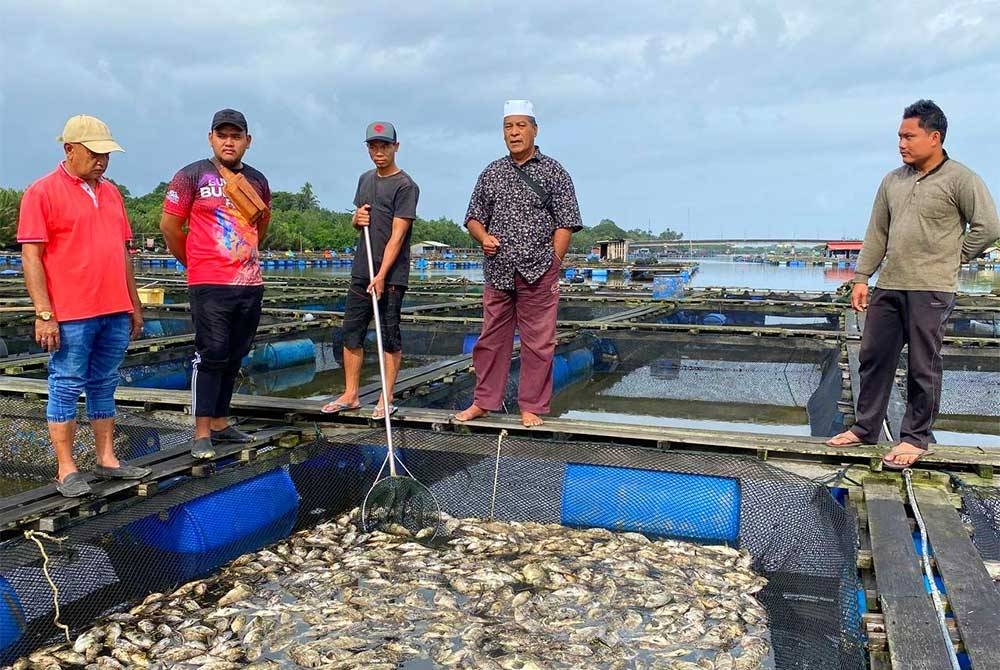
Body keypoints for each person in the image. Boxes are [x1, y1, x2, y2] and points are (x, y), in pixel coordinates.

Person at [826, 100, 1000, 468]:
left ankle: (915, 438)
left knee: (924, 363)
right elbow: (877, 233)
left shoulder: (960, 179)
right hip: (890, 283)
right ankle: (865, 428)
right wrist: (861, 277)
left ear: (934, 138)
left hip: (932, 288)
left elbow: (988, 227)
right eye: (899, 136)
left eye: (909, 136)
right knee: (873, 356)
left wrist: (955, 256)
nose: (901, 143)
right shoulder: (892, 180)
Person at [17, 115, 151, 497]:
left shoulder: (111, 193)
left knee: (104, 383)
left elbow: (122, 253)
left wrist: (134, 304)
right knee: (66, 383)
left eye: (106, 155)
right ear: (69, 149)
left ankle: (106, 459)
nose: (102, 161)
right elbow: (32, 257)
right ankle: (65, 468)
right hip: (71, 312)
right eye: (94, 153)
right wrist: (44, 312)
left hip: (113, 308)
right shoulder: (41, 192)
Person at [455, 100, 582, 427]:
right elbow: (472, 217)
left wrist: (555, 261)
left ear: (534, 130)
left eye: (521, 126)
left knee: (538, 342)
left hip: (539, 270)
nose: (514, 133)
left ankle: (531, 407)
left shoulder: (554, 171)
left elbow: (566, 222)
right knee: (490, 341)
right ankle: (483, 401)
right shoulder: (492, 172)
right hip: (498, 272)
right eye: (509, 127)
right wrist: (482, 237)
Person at [160, 109, 271, 459]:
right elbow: (170, 227)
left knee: (236, 353)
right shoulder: (191, 175)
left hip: (249, 283)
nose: (228, 141)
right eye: (222, 135)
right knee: (210, 354)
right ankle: (202, 430)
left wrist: (245, 256)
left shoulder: (258, 181)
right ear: (211, 138)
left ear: (247, 141)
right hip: (209, 283)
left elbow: (260, 226)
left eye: (235, 136)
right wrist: (195, 264)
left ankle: (221, 421)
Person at [321, 122, 419, 419]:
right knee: (351, 333)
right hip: (362, 269)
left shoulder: (406, 186)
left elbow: (398, 235)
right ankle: (351, 393)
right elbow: (359, 220)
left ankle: (386, 396)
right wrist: (356, 218)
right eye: (373, 146)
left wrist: (382, 275)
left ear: (396, 147)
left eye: (384, 146)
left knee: (389, 336)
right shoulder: (365, 180)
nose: (379, 152)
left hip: (389, 276)